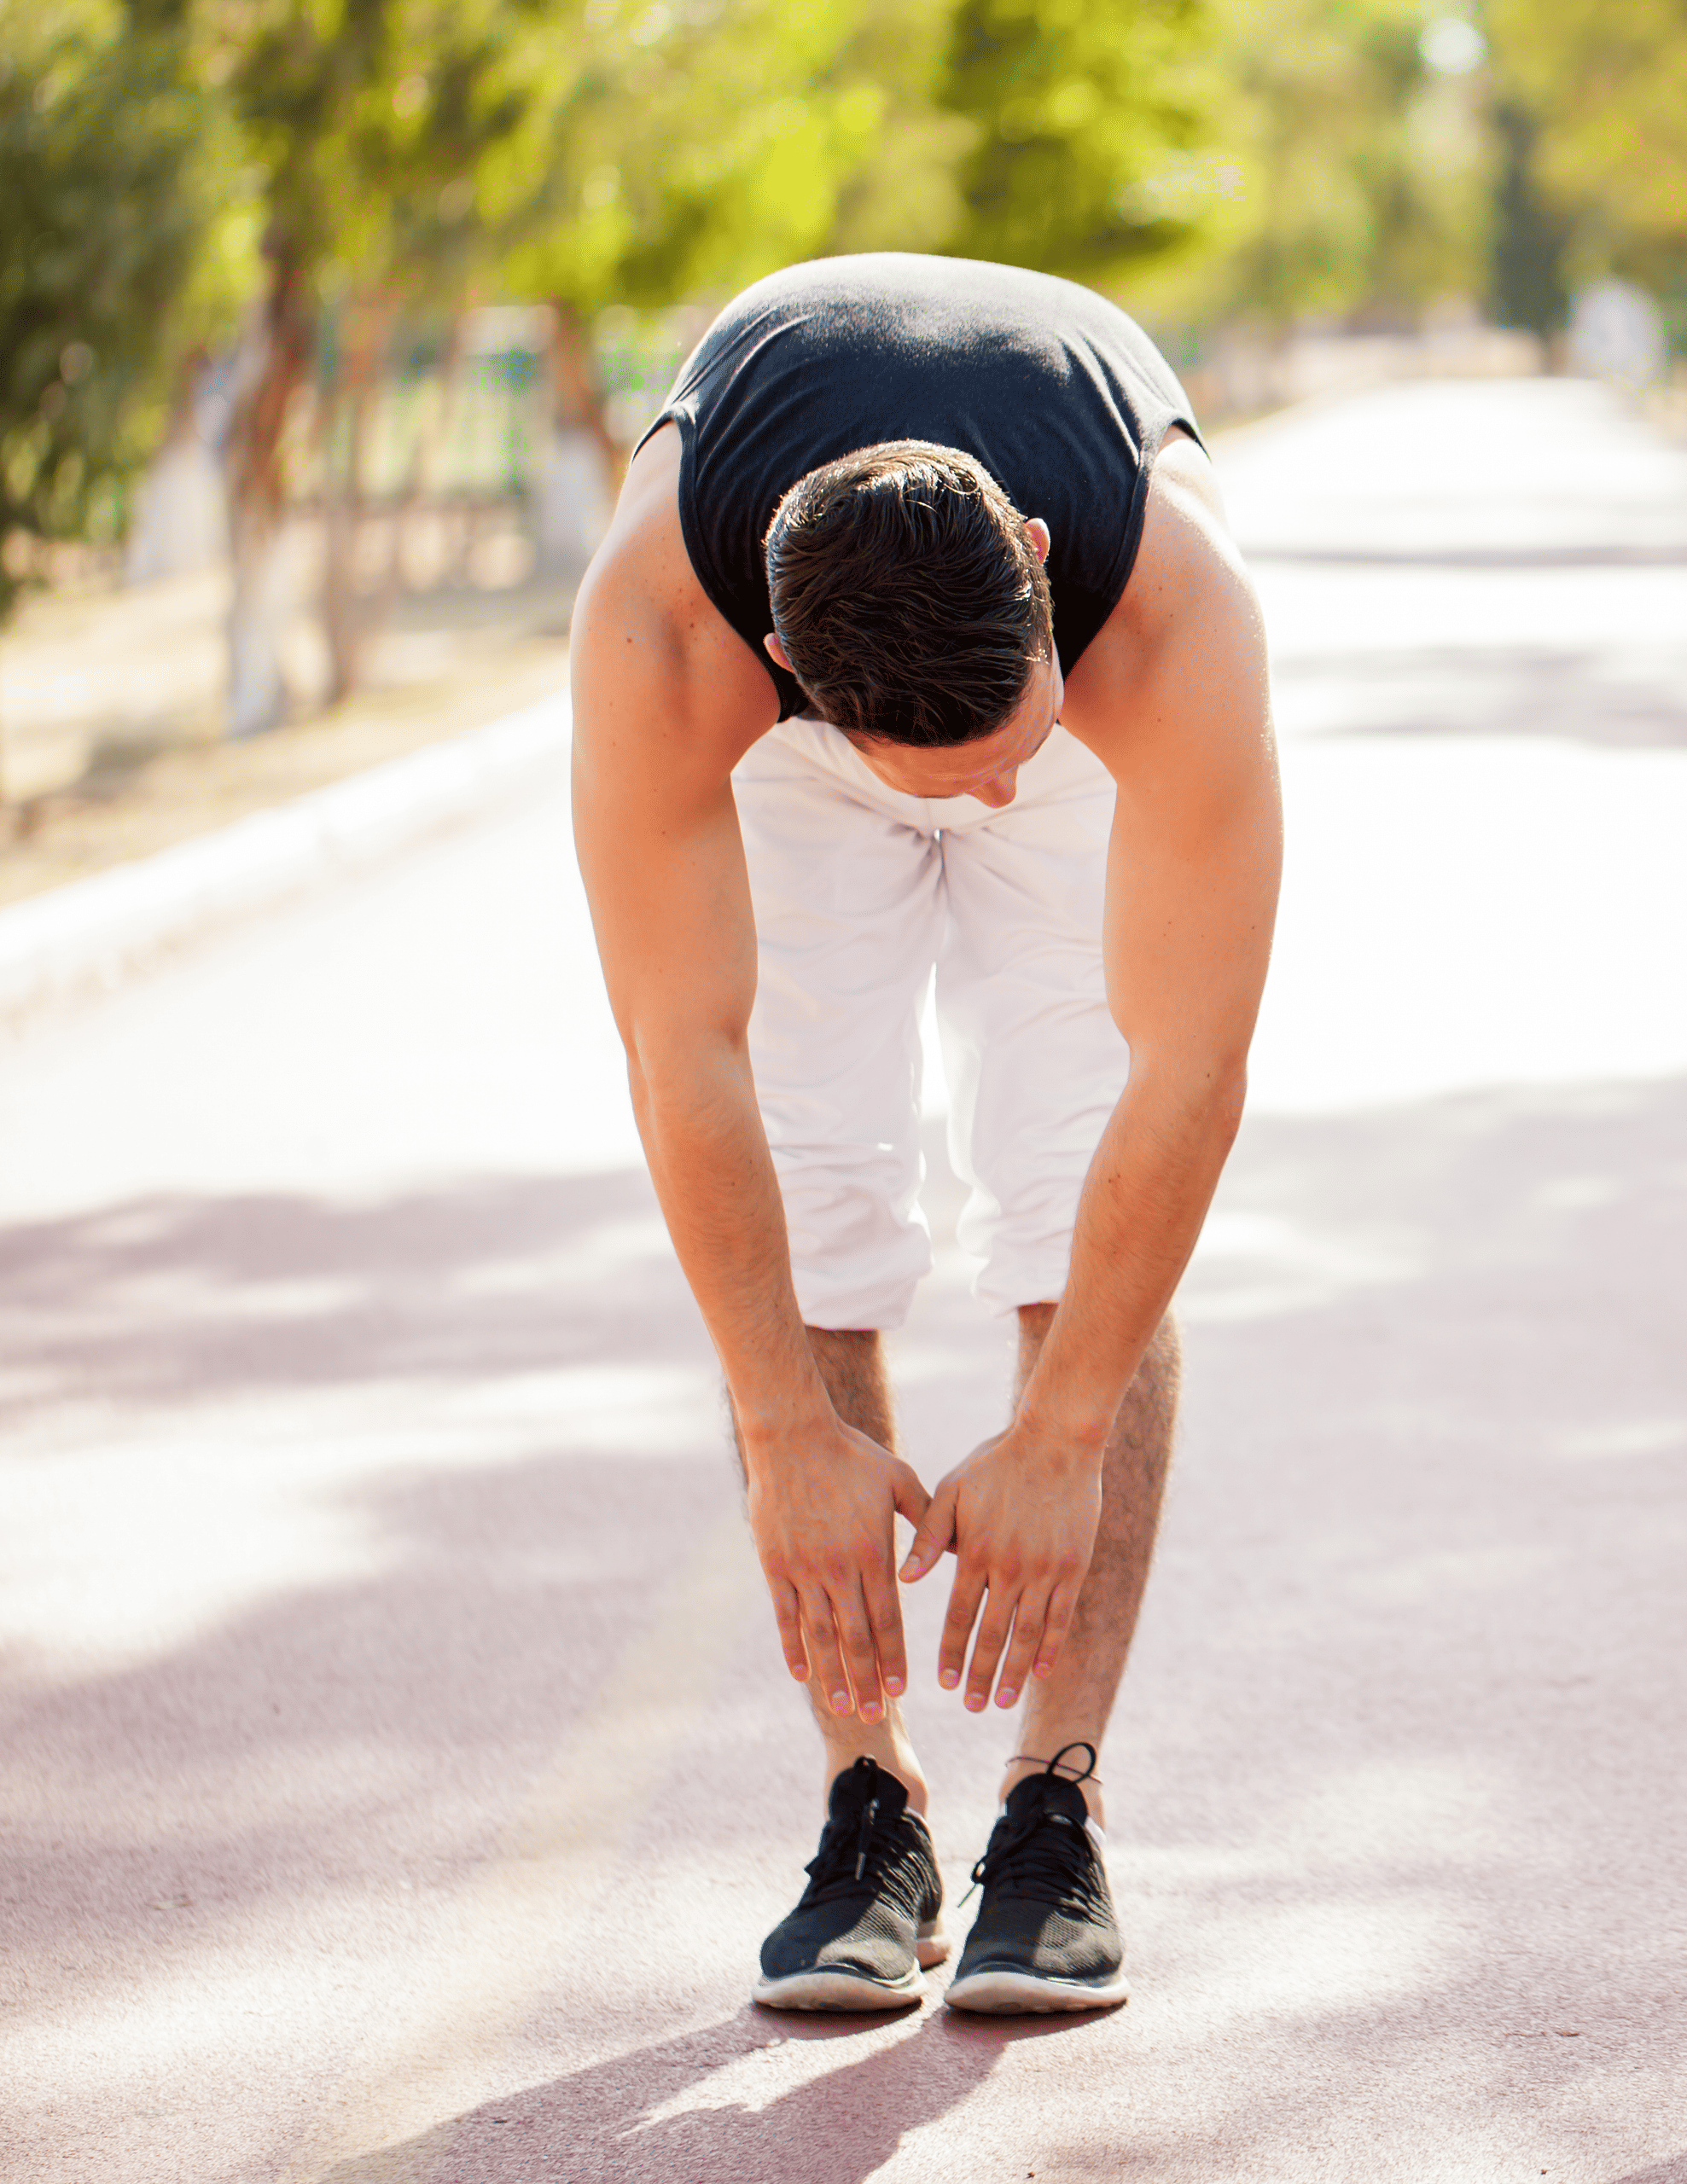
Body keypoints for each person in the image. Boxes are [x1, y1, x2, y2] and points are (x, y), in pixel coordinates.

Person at [570, 255, 1278, 2016]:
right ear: (790, 662)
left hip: (1089, 687)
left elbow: (1187, 1069)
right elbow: (684, 1046)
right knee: (803, 1208)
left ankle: (1058, 1801)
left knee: (1067, 1182)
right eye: (943, 771)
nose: (984, 793)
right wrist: (780, 1422)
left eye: (997, 754)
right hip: (813, 742)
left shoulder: (1170, 613)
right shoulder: (670, 639)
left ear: (1038, 559)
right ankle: (868, 1802)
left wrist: (1063, 1424)